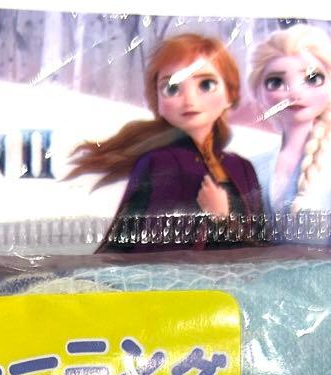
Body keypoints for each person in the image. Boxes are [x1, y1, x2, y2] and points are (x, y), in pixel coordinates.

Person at [68, 33, 263, 253]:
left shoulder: (242, 168)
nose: (189, 100)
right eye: (172, 88)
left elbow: (259, 247)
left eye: (206, 84)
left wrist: (223, 218)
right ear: (157, 102)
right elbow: (135, 245)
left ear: (230, 94)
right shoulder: (159, 163)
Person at [248, 25, 331, 216]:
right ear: (258, 92)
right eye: (276, 82)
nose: (295, 93)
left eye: (313, 79)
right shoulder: (253, 166)